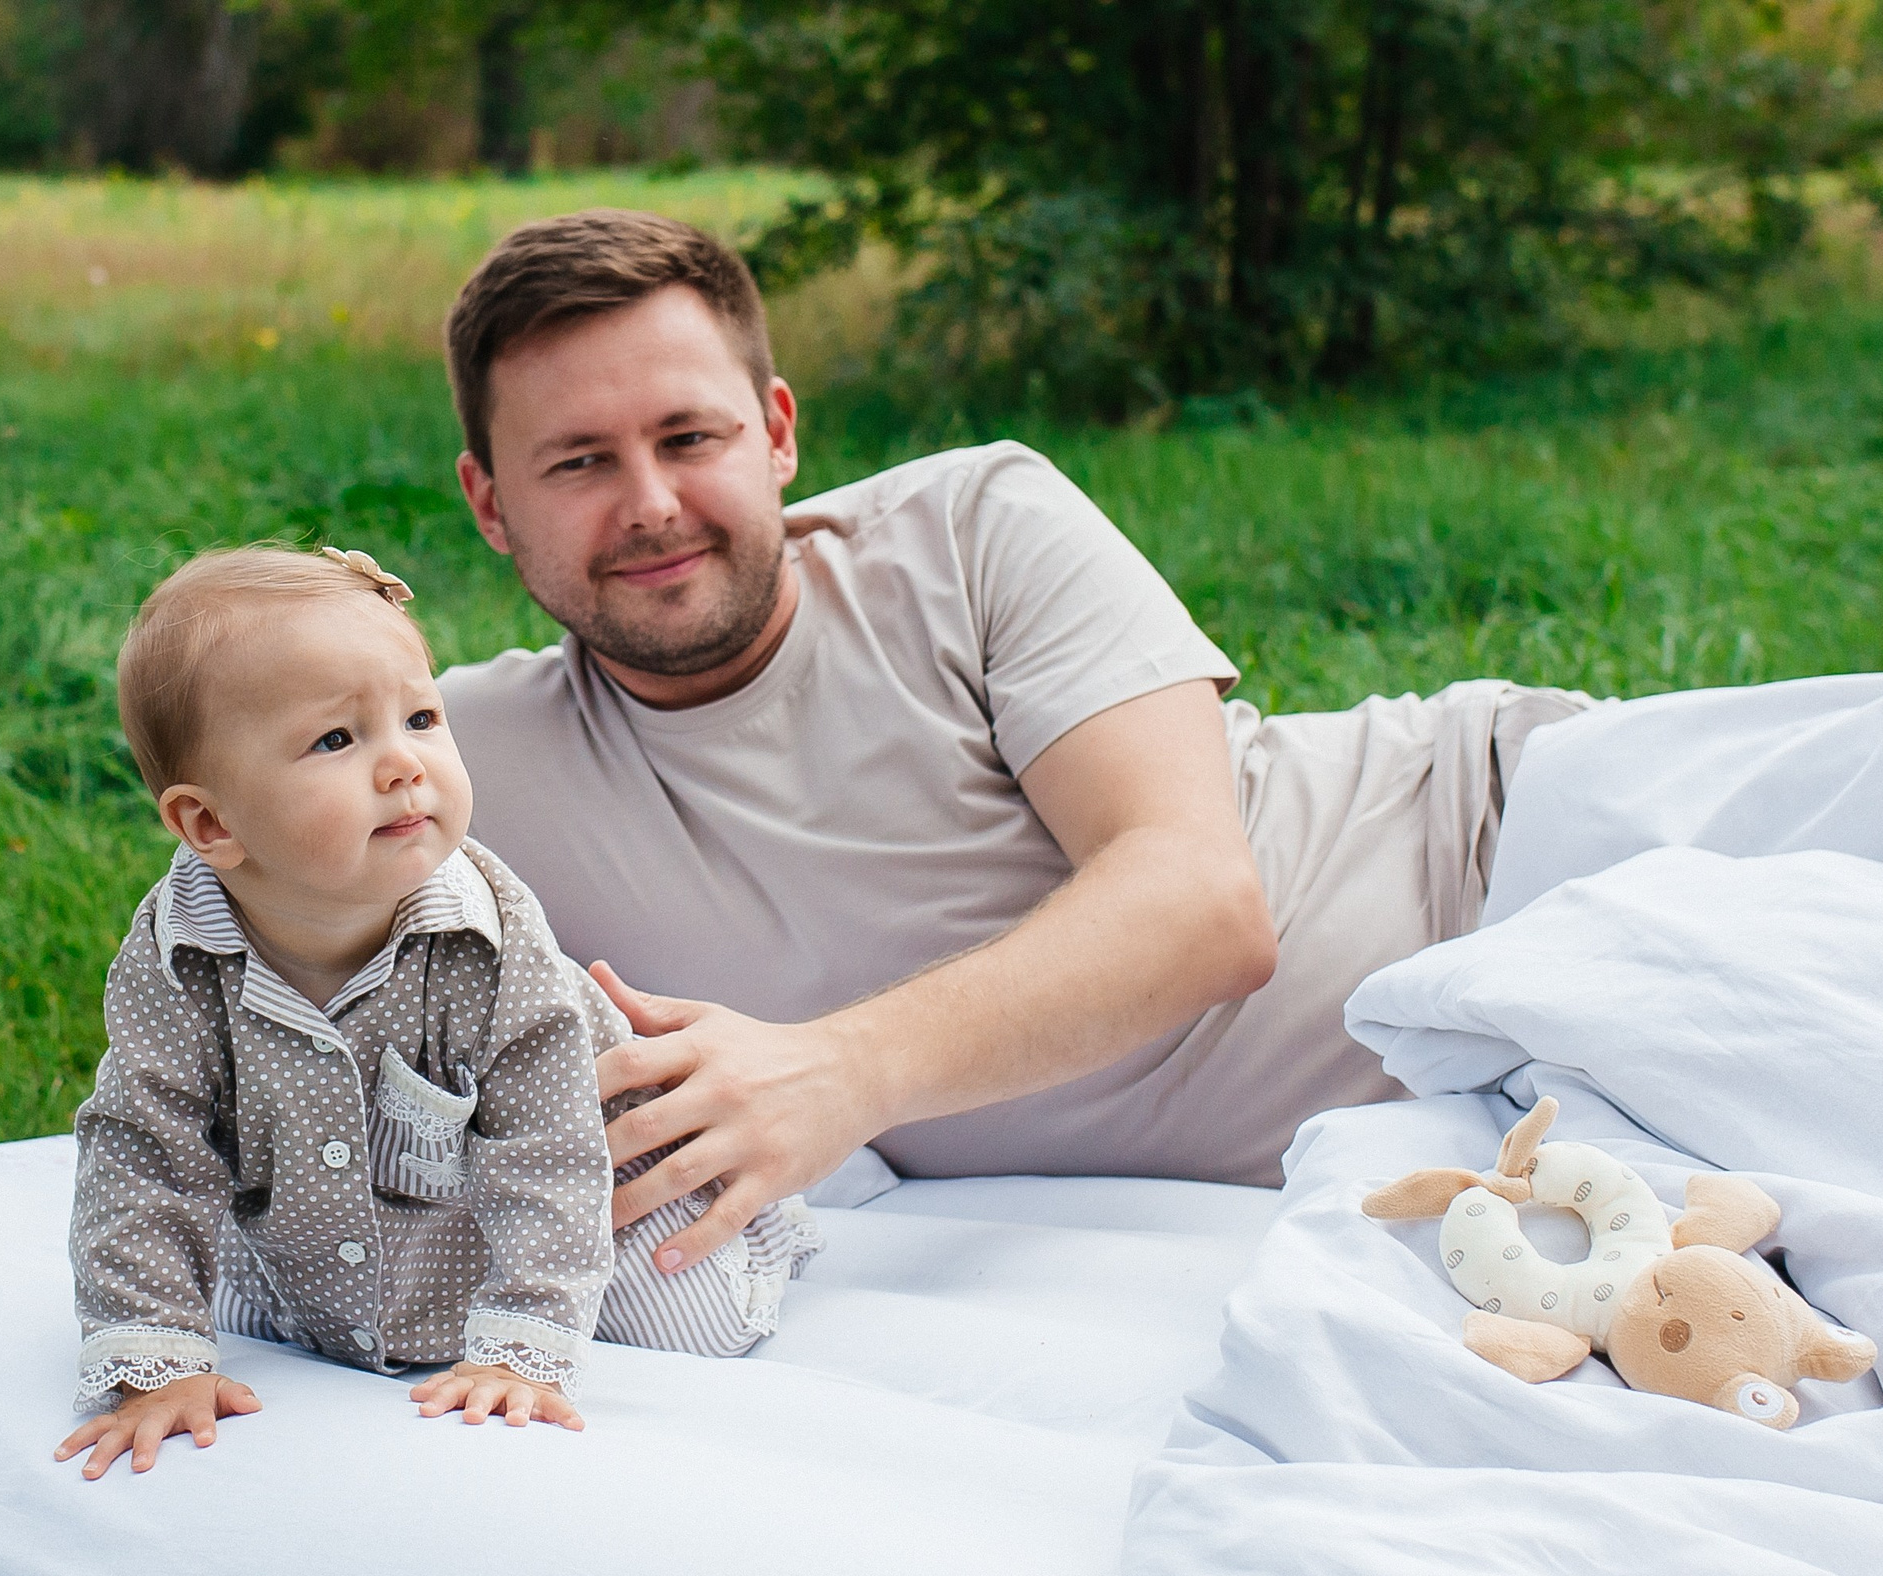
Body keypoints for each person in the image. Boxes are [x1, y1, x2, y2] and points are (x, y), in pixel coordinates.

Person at [435, 210, 1591, 1281]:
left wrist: (840, 1073)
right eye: (579, 461)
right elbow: (260, 932)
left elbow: (1200, 904)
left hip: (1513, 860)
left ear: (777, 434)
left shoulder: (972, 527)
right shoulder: (457, 768)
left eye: (689, 437)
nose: (650, 504)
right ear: (489, 505)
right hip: (1462, 1127)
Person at [53, 544, 820, 1477]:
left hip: (593, 1172)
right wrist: (155, 1360)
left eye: (420, 717)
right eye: (337, 740)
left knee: (690, 1321)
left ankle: (770, 1233)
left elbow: (545, 1152)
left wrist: (519, 1339)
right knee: (258, 1308)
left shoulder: (486, 942)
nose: (404, 765)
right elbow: (145, 1151)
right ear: (212, 825)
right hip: (323, 1204)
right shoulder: (178, 958)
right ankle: (358, 1300)